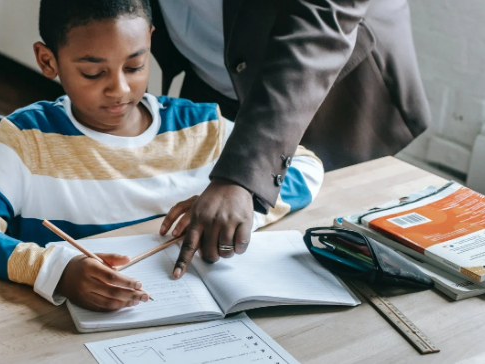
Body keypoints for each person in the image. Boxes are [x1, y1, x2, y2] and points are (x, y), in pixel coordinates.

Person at [0, 0, 324, 311]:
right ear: (48, 60)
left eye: (135, 66)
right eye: (93, 73)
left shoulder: (199, 124)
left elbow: (306, 166)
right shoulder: (28, 138)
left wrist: (237, 207)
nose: (119, 89)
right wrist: (55, 270)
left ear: (151, 41)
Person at [148, 0, 430, 277]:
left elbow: (322, 21)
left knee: (338, 252)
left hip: (328, 88)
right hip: (209, 78)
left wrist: (240, 177)